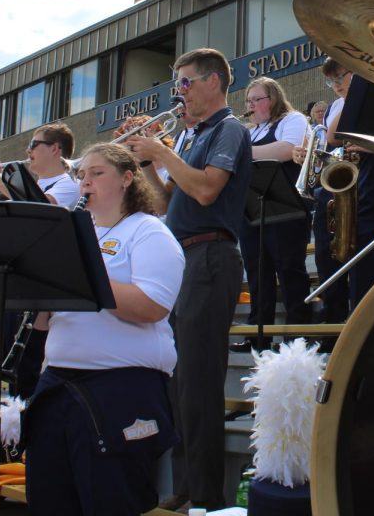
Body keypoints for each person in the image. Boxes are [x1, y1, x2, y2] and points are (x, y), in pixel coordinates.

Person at [24, 142, 184, 515]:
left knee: (111, 502)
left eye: (97, 173)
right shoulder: (77, 237)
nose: (85, 183)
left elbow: (151, 306)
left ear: (128, 178)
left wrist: (83, 274)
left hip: (120, 390)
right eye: (81, 175)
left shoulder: (149, 232)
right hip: (57, 386)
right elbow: (44, 322)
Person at [125, 48, 250, 512]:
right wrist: (144, 163)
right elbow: (163, 204)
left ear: (213, 82)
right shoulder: (189, 136)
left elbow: (204, 189)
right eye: (176, 84)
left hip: (211, 255)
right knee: (176, 383)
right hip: (181, 258)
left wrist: (159, 149)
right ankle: (185, 486)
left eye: (185, 83)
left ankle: (207, 497)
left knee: (198, 382)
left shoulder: (228, 129)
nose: (178, 93)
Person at [0, 123, 83, 455]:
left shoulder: (69, 185)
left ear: (55, 149)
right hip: (10, 283)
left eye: (34, 145)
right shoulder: (31, 184)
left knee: (22, 372)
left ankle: (12, 444)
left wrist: (1, 181)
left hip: (34, 289)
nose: (28, 153)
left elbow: (42, 210)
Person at [240, 77, 312, 326]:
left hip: (287, 208)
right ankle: (258, 329)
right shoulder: (249, 131)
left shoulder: (292, 119)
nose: (250, 106)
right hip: (252, 208)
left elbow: (287, 149)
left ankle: (298, 328)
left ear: (273, 99)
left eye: (256, 100)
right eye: (248, 100)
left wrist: (242, 152)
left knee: (289, 268)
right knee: (256, 272)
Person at [293, 59, 352, 323]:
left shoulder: (350, 100)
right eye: (331, 81)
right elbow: (328, 143)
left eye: (341, 77)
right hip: (333, 187)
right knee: (326, 256)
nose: (336, 86)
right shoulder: (335, 106)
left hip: (359, 184)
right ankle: (332, 315)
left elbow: (333, 136)